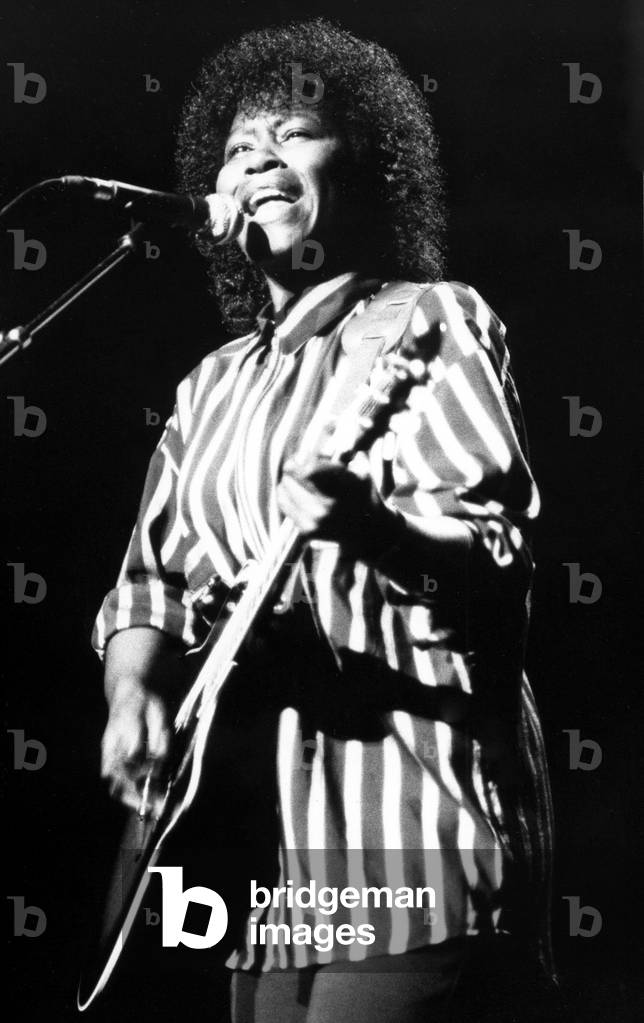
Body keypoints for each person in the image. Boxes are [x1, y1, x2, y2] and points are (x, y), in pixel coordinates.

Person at [94, 18, 555, 1023]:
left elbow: (493, 567)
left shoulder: (425, 322)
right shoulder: (210, 386)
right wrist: (132, 690)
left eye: (291, 134)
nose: (255, 154)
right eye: (233, 149)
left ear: (367, 173)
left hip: (411, 829)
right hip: (260, 857)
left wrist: (369, 530)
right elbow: (149, 582)